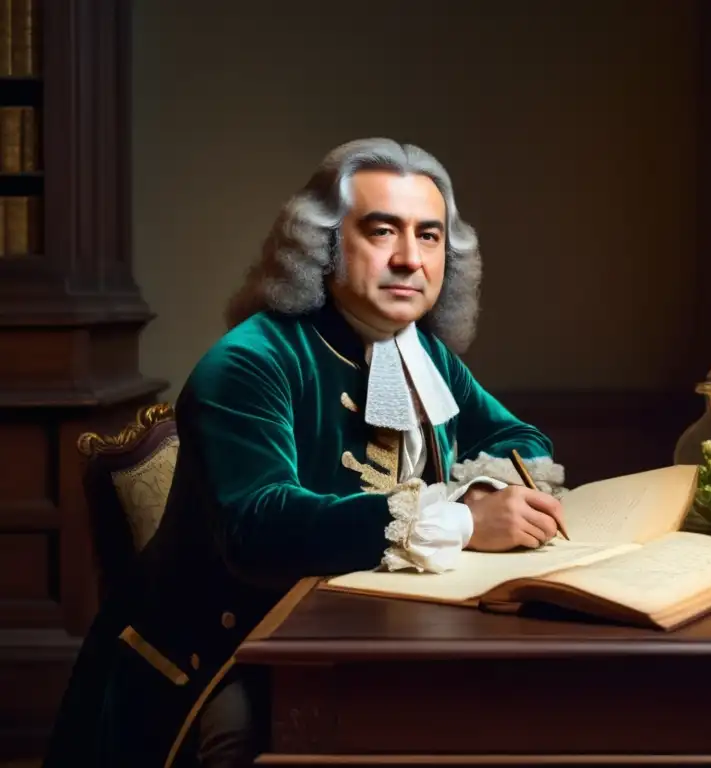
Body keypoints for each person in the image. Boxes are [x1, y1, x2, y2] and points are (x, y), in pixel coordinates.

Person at [43, 138, 568, 768]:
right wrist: (462, 520)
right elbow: (259, 527)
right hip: (218, 658)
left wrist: (481, 490)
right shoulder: (249, 361)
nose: (410, 259)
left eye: (429, 237)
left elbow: (519, 440)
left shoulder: (422, 352)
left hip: (371, 629)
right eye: (382, 231)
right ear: (320, 244)